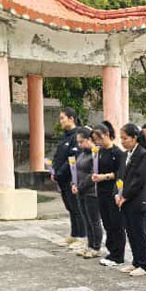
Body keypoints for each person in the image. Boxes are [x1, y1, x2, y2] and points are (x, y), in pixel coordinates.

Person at [116, 123, 146, 276]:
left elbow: (138, 179)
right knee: (130, 231)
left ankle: (143, 264)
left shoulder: (142, 154)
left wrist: (125, 195)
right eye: (121, 138)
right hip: (124, 199)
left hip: (136, 199)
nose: (122, 141)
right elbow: (120, 176)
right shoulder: (125, 154)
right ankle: (136, 261)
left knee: (139, 232)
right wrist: (117, 194)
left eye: (125, 138)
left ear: (134, 138)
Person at [91, 123, 126, 266]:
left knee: (116, 224)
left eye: (98, 139)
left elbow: (120, 173)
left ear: (105, 135)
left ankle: (118, 255)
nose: (97, 142)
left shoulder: (117, 153)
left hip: (113, 191)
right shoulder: (99, 152)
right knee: (107, 223)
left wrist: (105, 176)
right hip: (101, 191)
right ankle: (111, 252)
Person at [52, 106, 86, 247]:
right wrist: (54, 170)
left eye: (62, 118)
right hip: (62, 179)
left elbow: (72, 159)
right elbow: (59, 155)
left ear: (71, 119)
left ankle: (82, 236)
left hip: (72, 178)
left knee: (77, 207)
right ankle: (73, 234)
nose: (60, 121)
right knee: (70, 207)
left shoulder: (77, 135)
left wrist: (60, 173)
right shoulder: (65, 136)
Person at [71, 128, 103, 259]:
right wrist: (73, 184)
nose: (80, 145)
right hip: (80, 191)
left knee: (94, 220)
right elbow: (76, 170)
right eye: (78, 142)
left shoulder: (95, 154)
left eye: (82, 141)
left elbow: (92, 174)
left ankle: (96, 247)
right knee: (86, 220)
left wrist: (81, 186)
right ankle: (89, 244)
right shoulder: (82, 153)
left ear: (90, 140)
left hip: (91, 192)